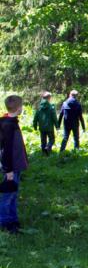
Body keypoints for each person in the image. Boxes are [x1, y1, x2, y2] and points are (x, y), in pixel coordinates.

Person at [0, 95, 28, 234]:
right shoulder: (8, 125)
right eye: (21, 106)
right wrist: (8, 170)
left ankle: (13, 220)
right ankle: (5, 222)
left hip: (15, 166)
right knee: (8, 195)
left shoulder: (11, 122)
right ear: (18, 108)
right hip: (11, 167)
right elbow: (6, 150)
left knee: (13, 194)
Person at [32, 91, 59, 155]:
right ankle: (48, 147)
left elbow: (35, 118)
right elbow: (54, 118)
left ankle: (44, 152)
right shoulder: (51, 108)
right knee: (52, 139)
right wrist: (57, 126)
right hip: (49, 127)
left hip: (42, 127)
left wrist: (35, 126)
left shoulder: (39, 108)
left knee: (43, 140)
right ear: (49, 98)